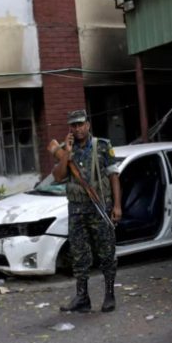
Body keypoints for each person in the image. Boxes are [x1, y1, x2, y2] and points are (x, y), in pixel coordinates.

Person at [50, 109, 121, 313]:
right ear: (70, 128)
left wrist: (117, 206)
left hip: (100, 208)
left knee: (107, 252)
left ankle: (109, 295)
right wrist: (67, 154)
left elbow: (114, 177)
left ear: (88, 125)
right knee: (79, 255)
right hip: (77, 210)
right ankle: (82, 297)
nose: (78, 128)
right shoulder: (66, 150)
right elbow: (58, 176)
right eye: (74, 125)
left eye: (81, 124)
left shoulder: (102, 146)